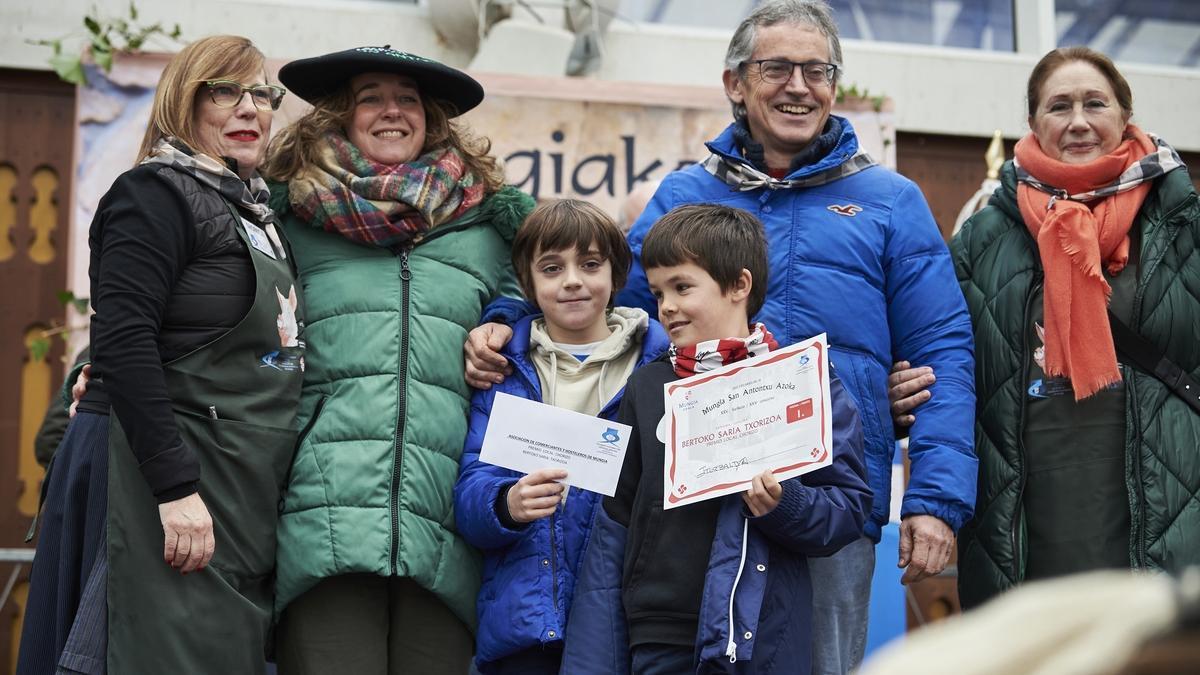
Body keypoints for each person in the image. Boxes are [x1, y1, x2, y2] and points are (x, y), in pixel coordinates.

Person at [464, 2, 977, 671]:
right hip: (688, 509)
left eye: (816, 70)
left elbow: (943, 351)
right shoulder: (686, 193)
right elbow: (604, 295)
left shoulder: (890, 199)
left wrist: (933, 500)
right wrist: (510, 318)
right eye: (777, 68)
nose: (799, 85)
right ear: (736, 82)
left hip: (824, 505)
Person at [18, 35, 303, 674]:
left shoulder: (258, 211)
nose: (250, 108)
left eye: (261, 93)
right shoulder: (153, 195)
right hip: (153, 484)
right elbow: (123, 341)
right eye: (225, 91)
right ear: (183, 102)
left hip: (233, 491)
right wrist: (174, 488)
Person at [890, 46, 1200, 609]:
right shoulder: (982, 242)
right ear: (1033, 124)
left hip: (1168, 524)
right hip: (1022, 532)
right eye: (1059, 106)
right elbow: (943, 364)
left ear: (1125, 118)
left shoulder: (1185, 227)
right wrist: (901, 390)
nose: (1078, 121)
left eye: (1094, 104)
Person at [262, 46, 535, 674]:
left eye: (407, 98)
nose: (391, 111)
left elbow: (549, 315)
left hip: (447, 522)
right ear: (340, 115)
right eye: (371, 97)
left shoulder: (491, 227)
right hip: (322, 519)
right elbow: (225, 327)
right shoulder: (286, 222)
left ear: (432, 118)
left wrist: (502, 325)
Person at [559, 203, 871, 674]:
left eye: (682, 287)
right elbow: (615, 524)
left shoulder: (804, 378)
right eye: (659, 292)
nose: (666, 306)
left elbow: (847, 508)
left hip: (759, 631)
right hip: (659, 634)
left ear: (739, 286)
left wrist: (782, 506)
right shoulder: (647, 386)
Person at [454, 199, 670, 674]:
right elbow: (472, 486)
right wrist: (505, 505)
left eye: (590, 264)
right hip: (527, 625)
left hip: (630, 622)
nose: (572, 280)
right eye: (552, 268)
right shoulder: (503, 369)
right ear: (528, 285)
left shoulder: (664, 364)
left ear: (617, 274)